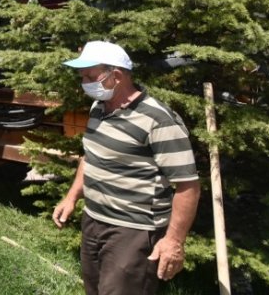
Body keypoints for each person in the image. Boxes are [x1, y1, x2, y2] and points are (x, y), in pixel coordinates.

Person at [53, 40, 200, 294]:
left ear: (116, 76)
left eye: (90, 76)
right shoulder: (99, 108)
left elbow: (188, 185)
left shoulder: (157, 120)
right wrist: (71, 197)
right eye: (82, 76)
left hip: (133, 232)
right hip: (94, 221)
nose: (84, 82)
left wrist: (174, 241)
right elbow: (90, 156)